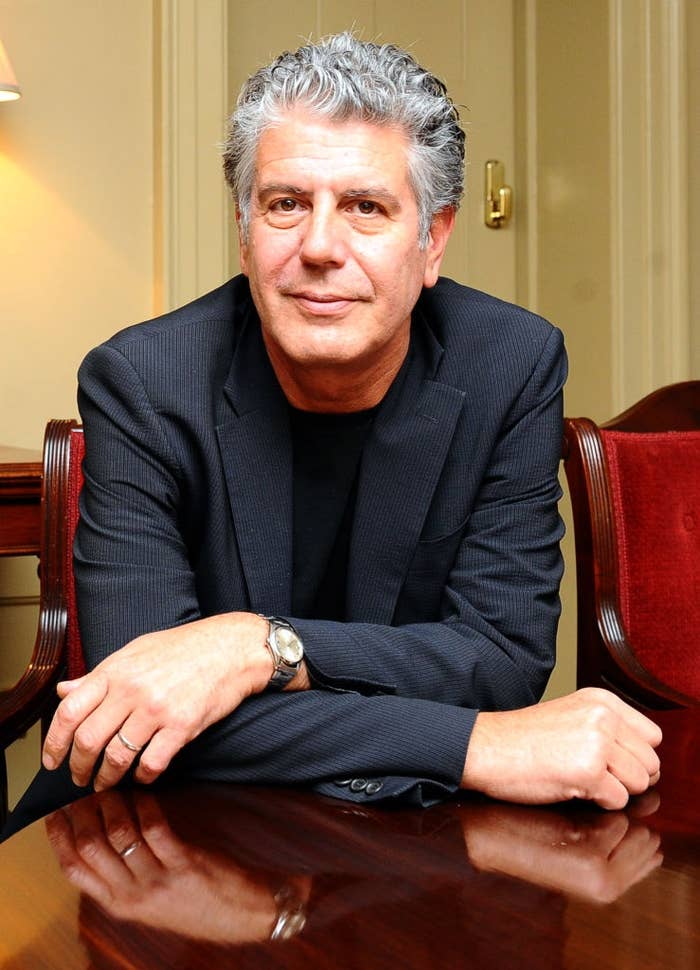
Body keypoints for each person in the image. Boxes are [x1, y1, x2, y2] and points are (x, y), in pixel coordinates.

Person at [37, 33, 660, 817]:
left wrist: (253, 648)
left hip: (420, 849)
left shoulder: (511, 363)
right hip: (161, 834)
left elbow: (501, 662)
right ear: (244, 230)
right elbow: (137, 714)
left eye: (366, 207)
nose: (319, 248)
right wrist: (472, 744)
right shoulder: (143, 381)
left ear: (433, 240)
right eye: (285, 204)